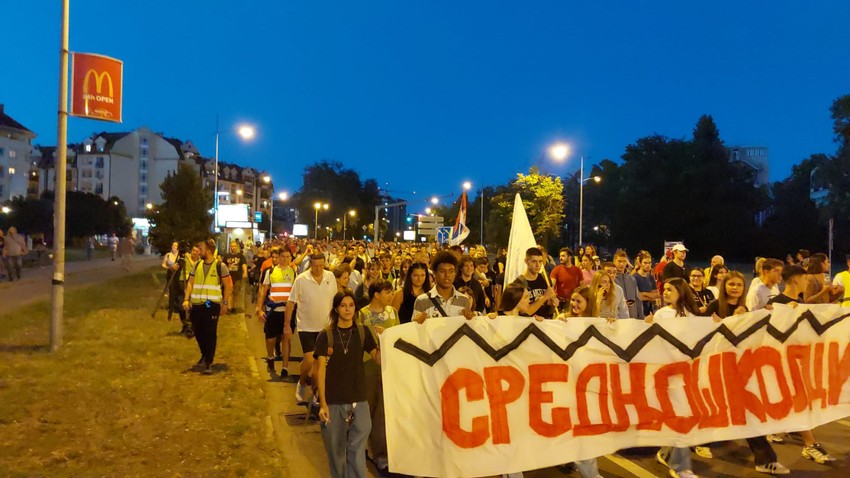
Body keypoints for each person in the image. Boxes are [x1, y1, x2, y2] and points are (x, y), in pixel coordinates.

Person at [767, 265, 836, 464]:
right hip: (783, 363)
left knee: (796, 402)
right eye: (805, 278)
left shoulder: (799, 303)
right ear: (796, 279)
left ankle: (777, 429)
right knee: (800, 402)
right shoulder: (776, 303)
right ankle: (810, 444)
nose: (807, 282)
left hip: (799, 362)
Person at [315, 291, 379, 478]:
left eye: (351, 305)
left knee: (357, 450)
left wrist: (382, 340)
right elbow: (320, 371)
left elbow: (379, 359)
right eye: (343, 305)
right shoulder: (326, 335)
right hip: (333, 401)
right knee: (336, 454)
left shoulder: (363, 332)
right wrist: (323, 404)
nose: (348, 309)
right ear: (336, 309)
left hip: (359, 399)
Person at [356, 280, 399, 472]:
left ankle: (380, 452)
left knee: (383, 410)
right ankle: (363, 445)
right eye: (387, 292)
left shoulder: (393, 313)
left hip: (389, 367)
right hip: (368, 367)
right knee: (367, 408)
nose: (391, 296)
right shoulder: (362, 314)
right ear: (376, 294)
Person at [286, 253, 338, 403]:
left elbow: (335, 300)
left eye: (321, 266)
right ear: (310, 264)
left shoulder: (330, 277)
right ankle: (302, 382)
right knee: (309, 359)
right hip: (306, 326)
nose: (318, 269)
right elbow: (291, 302)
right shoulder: (301, 279)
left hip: (326, 327)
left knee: (320, 364)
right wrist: (287, 325)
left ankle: (316, 392)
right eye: (315, 266)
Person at [182, 238, 233, 375]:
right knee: (198, 332)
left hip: (211, 304)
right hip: (197, 304)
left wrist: (225, 303)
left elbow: (227, 285)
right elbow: (190, 283)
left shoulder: (220, 266)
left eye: (201, 249)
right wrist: (186, 299)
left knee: (210, 332)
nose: (198, 251)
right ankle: (204, 355)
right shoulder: (197, 265)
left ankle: (208, 362)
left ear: (209, 250)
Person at [257, 247, 297, 380]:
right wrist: (259, 308)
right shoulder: (271, 271)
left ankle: (285, 368)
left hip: (287, 311)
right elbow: (263, 290)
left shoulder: (294, 272)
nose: (285, 259)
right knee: (271, 339)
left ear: (290, 258)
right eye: (282, 256)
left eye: (287, 257)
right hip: (273, 310)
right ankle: (270, 358)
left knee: (286, 338)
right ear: (278, 257)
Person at [413, 252, 471, 322]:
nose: (447, 275)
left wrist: (470, 319)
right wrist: (418, 322)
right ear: (434, 273)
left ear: (455, 273)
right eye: (442, 271)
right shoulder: (422, 301)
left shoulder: (464, 300)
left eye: (451, 271)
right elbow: (415, 327)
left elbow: (468, 326)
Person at [513, 247, 558, 320]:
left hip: (544, 322)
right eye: (534, 261)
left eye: (540, 261)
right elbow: (525, 312)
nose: (538, 265)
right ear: (526, 261)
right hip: (528, 324)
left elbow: (549, 311)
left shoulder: (545, 279)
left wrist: (553, 305)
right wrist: (544, 297)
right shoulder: (519, 283)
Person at [551, 247, 584, 312]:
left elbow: (583, 286)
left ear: (569, 257)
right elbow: (551, 285)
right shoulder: (556, 270)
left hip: (573, 302)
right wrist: (553, 297)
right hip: (560, 302)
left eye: (563, 256)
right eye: (560, 256)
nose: (560, 258)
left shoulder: (577, 270)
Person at [613, 250, 643, 319]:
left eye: (624, 261)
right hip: (618, 318)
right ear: (614, 262)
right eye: (619, 261)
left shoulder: (632, 279)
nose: (622, 264)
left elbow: (637, 299)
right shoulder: (611, 280)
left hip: (633, 317)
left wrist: (641, 316)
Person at [223, 241, 248, 313]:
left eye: (234, 246)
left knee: (236, 292)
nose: (233, 248)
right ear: (230, 247)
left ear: (237, 247)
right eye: (232, 246)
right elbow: (223, 265)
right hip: (229, 277)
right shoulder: (227, 256)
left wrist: (245, 272)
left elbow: (244, 264)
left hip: (237, 277)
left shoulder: (240, 256)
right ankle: (229, 307)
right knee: (229, 292)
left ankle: (234, 306)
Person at [633, 251, 659, 316]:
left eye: (649, 263)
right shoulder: (634, 278)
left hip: (649, 311)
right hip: (638, 312)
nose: (648, 265)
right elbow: (638, 297)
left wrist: (644, 293)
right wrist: (650, 296)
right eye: (645, 263)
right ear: (640, 263)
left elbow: (656, 295)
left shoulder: (651, 277)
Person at [162, 241, 182, 323]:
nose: (174, 246)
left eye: (176, 245)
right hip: (170, 275)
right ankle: (170, 312)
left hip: (178, 275)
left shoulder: (180, 256)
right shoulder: (168, 255)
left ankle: (178, 311)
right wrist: (169, 267)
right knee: (172, 293)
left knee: (178, 293)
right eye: (173, 245)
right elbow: (163, 264)